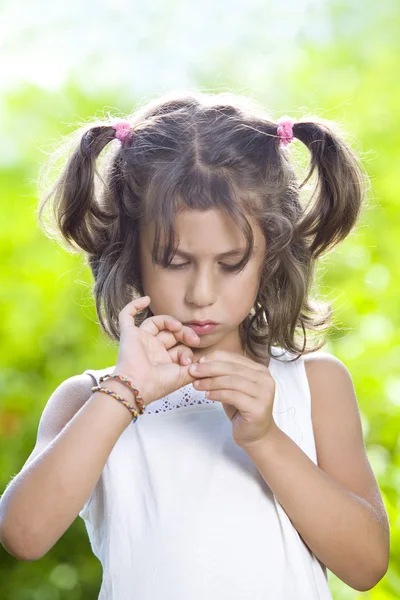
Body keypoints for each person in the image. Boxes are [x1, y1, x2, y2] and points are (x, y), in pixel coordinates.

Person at [0, 90, 389, 598]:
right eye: (175, 262)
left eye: (231, 264)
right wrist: (124, 393)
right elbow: (22, 535)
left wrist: (265, 439)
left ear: (270, 256)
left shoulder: (315, 384)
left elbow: (366, 566)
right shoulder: (91, 399)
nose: (201, 295)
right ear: (131, 254)